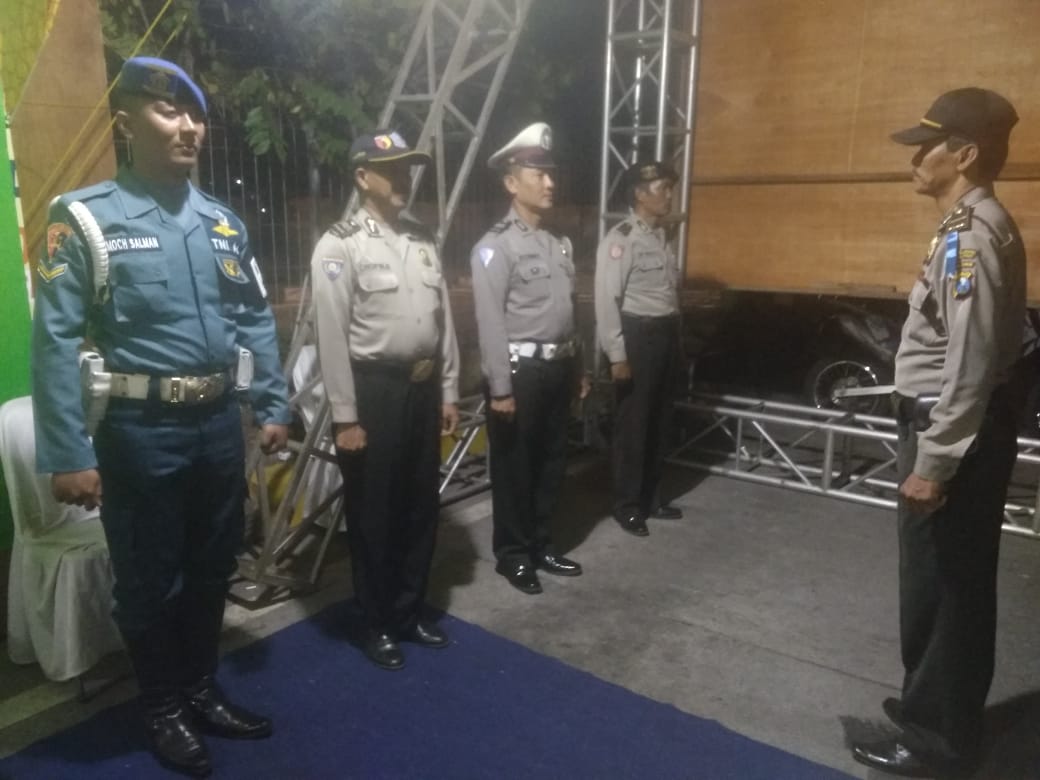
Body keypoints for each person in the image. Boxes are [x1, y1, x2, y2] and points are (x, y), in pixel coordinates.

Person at [31, 57, 291, 777]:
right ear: (126, 123)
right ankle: (162, 706)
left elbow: (254, 317)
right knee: (149, 580)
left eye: (195, 115)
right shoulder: (86, 218)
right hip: (139, 434)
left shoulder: (222, 223)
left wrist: (272, 402)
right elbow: (54, 340)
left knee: (213, 567)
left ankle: (200, 687)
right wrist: (68, 452)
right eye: (168, 111)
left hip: (218, 425)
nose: (188, 128)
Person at [851, 88, 1025, 777]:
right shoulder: (967, 226)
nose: (915, 158)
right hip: (951, 424)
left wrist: (937, 460)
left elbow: (971, 362)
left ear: (966, 154)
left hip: (949, 431)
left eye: (928, 145)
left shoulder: (970, 237)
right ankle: (935, 706)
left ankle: (936, 741)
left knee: (944, 589)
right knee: (943, 584)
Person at [311, 130, 461, 671]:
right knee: (375, 511)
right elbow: (331, 337)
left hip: (421, 388)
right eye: (391, 168)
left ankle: (408, 610)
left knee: (420, 505)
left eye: (407, 168)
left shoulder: (422, 238)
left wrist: (448, 387)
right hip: (373, 391)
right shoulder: (340, 245)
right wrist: (345, 417)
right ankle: (376, 622)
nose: (403, 178)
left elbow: (443, 321)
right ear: (362, 176)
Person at [470, 122, 585, 595]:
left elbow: (569, 312)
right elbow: (490, 324)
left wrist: (578, 368)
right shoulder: (494, 246)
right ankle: (514, 554)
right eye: (539, 175)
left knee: (552, 461)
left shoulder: (559, 244)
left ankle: (541, 543)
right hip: (520, 372)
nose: (550, 183)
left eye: (551, 174)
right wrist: (500, 388)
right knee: (515, 467)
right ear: (511, 183)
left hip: (557, 367)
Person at [594, 161, 683, 537]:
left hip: (664, 334)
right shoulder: (621, 239)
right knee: (634, 425)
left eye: (669, 188)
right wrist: (617, 356)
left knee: (660, 421)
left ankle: (652, 498)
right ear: (639, 194)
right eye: (662, 188)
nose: (669, 195)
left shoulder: (660, 237)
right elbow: (606, 300)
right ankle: (627, 504)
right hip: (637, 337)